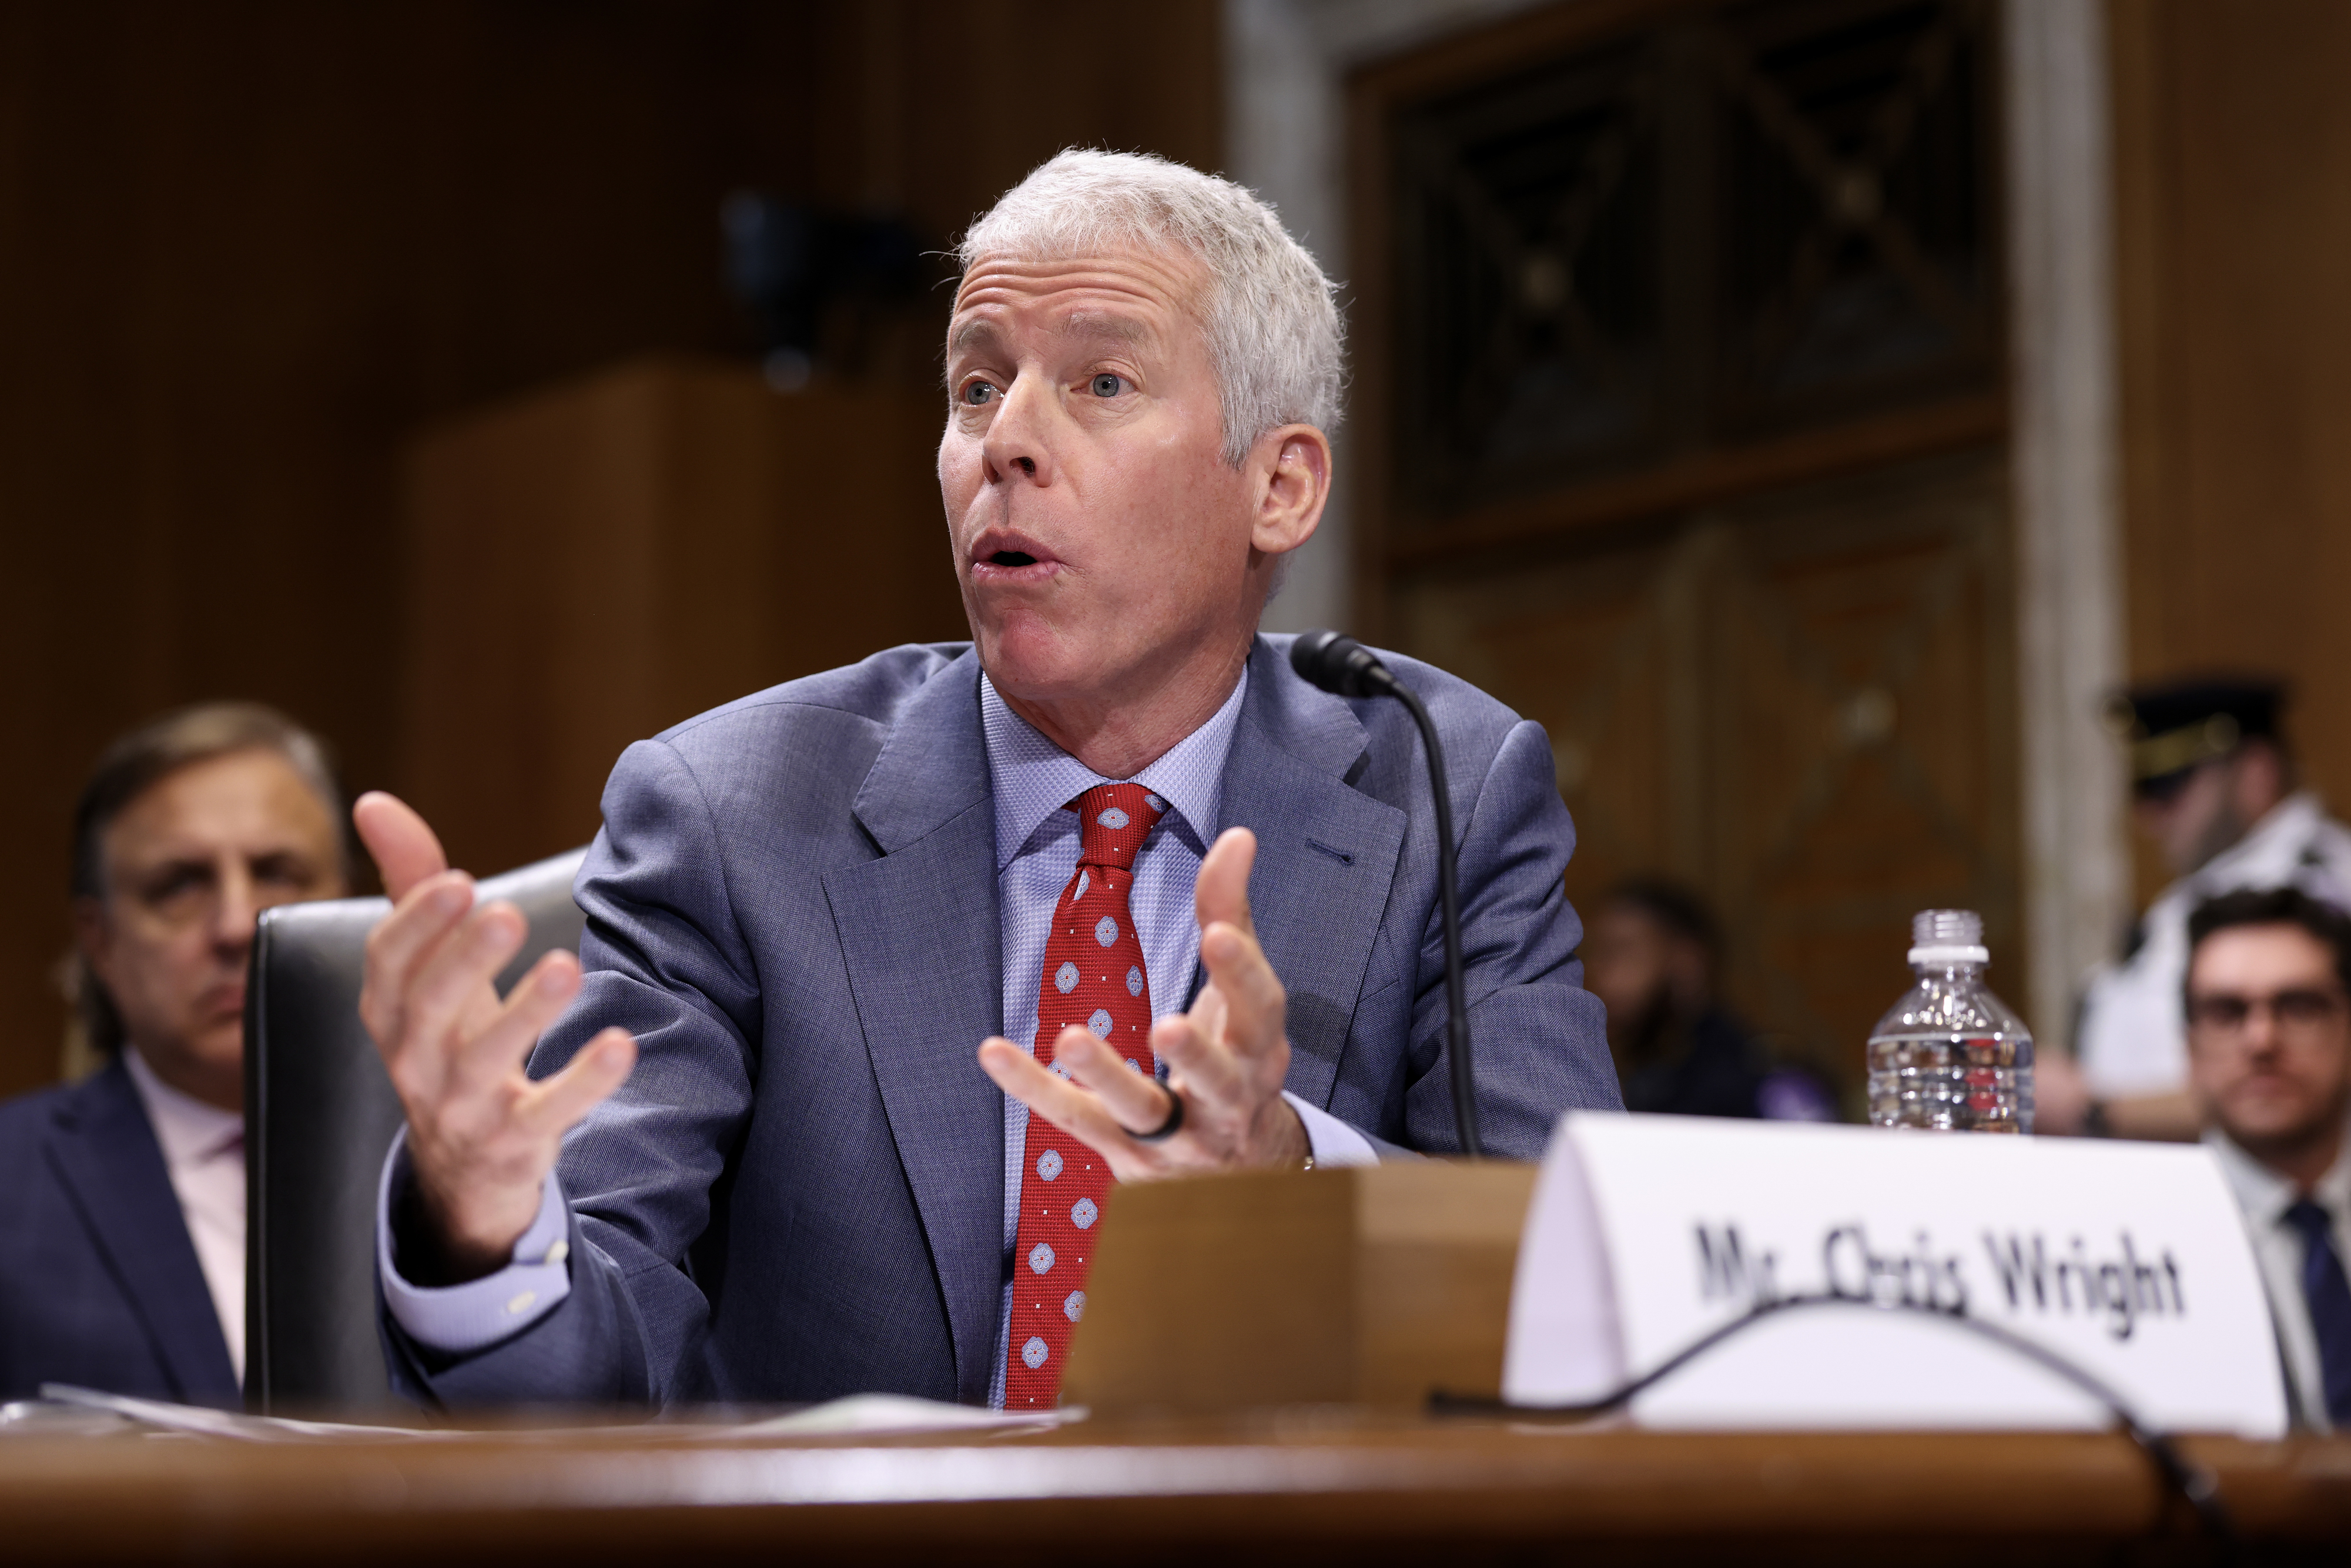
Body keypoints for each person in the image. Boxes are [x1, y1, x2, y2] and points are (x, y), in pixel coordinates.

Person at [358, 150, 1620, 1410]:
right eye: (974, 385)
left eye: (1102, 382)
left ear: (1277, 486)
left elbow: (1577, 1285)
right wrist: (486, 1224)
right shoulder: (728, 812)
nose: (1004, 440)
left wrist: (1292, 1169)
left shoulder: (1443, 785)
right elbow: (589, 1363)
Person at [0, 704, 347, 1405]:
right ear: (100, 942)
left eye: (278, 872)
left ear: (350, 904)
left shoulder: (456, 1169)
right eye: (180, 884)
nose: (236, 926)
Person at [2043, 679, 2351, 1141]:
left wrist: (2089, 1110)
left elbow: (2302, 1086)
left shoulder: (2313, 889)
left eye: (2169, 786)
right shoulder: (2207, 888)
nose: (2150, 814)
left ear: (2256, 773)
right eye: (2141, 790)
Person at [2181, 887, 2351, 1429]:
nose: (2261, 1039)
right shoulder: (2145, 1244)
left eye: (2298, 1006)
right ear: (2189, 1045)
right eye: (2227, 1011)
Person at [1582, 878, 1835, 1121]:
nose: (1598, 972)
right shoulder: (1628, 1079)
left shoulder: (1758, 1081)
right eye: (1596, 954)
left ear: (1686, 963)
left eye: (1620, 952)